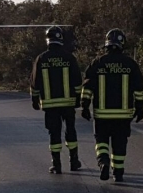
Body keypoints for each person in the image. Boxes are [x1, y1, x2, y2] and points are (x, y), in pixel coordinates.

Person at [80, 29, 143, 183]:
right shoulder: (130, 64)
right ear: (122, 44)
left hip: (102, 114)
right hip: (123, 114)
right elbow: (139, 88)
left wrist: (84, 105)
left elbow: (87, 87)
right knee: (120, 143)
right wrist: (140, 107)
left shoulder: (98, 63)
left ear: (107, 44)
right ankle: (118, 172)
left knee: (101, 141)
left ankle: (103, 162)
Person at [31, 26, 83, 174]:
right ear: (61, 39)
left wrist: (35, 100)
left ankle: (56, 164)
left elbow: (35, 82)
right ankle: (74, 161)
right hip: (68, 104)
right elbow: (77, 82)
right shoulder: (69, 58)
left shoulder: (41, 58)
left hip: (50, 105)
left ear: (47, 40)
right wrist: (78, 99)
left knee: (54, 133)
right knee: (71, 131)